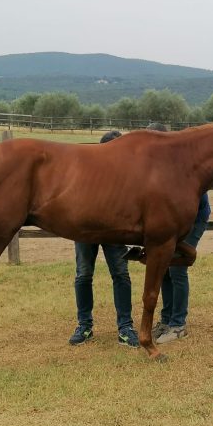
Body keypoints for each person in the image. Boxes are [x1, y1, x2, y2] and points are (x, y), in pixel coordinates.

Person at [68, 130, 139, 348]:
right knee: (83, 275)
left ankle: (125, 327)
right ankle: (84, 325)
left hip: (115, 231)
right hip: (86, 231)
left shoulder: (127, 174)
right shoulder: (84, 170)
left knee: (121, 275)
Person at [142, 123, 211, 344]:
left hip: (192, 220)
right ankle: (166, 319)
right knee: (164, 267)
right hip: (172, 221)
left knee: (177, 269)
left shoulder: (181, 162)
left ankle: (178, 323)